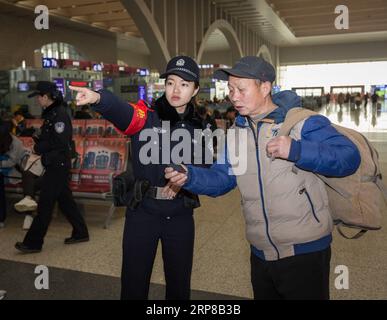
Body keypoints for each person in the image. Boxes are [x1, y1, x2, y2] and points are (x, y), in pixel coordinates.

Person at [165, 56, 361, 300]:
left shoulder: (301, 122)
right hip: (260, 252)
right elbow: (223, 179)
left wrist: (298, 150)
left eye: (241, 89)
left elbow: (349, 157)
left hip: (305, 251)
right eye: (231, 89)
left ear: (265, 87)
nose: (233, 96)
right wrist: (190, 177)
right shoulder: (237, 133)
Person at [70, 56, 212, 300]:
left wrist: (184, 180)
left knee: (179, 284)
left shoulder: (200, 127)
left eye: (185, 84)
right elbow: (122, 111)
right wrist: (98, 98)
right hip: (142, 213)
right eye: (171, 82)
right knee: (134, 282)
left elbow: (204, 165)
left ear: (195, 89)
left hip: (180, 214)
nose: (176, 89)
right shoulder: (146, 116)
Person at [15, 81, 89, 253]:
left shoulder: (59, 115)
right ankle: (81, 232)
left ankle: (33, 243)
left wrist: (39, 147)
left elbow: (61, 143)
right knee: (65, 201)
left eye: (38, 97)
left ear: (46, 97)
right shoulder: (52, 114)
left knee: (45, 205)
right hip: (55, 163)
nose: (37, 101)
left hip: (58, 164)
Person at [0, 120, 29, 228]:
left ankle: (1, 218)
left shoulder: (16, 143)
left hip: (14, 172)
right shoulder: (4, 140)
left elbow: (12, 162)